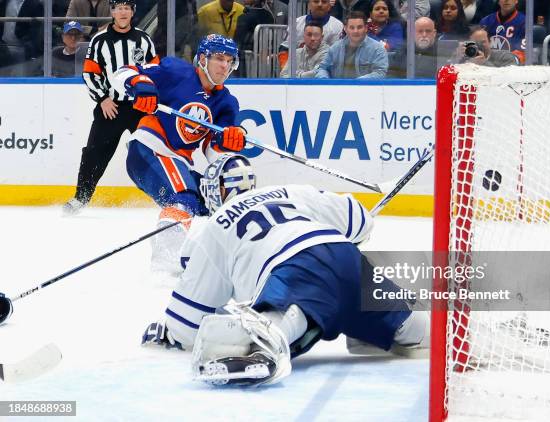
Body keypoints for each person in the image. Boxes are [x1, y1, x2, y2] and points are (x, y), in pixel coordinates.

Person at [142, 153, 428, 386]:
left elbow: (187, 325)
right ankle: (431, 331)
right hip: (345, 256)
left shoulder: (213, 228)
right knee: (415, 331)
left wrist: (165, 333)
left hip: (293, 268)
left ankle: (267, 340)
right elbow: (360, 223)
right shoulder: (289, 191)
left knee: (285, 316)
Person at [109, 34, 247, 274]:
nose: (225, 66)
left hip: (178, 162)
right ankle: (165, 261)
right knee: (183, 197)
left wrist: (229, 140)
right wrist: (141, 85)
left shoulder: (226, 102)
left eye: (229, 61)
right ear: (203, 58)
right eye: (219, 59)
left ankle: (204, 256)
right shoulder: (175, 72)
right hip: (150, 149)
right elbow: (121, 73)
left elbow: (214, 154)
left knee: (215, 199)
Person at [63, 0, 158, 215]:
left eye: (127, 8)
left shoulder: (144, 39)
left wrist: (149, 96)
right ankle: (81, 197)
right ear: (112, 11)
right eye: (119, 8)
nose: (123, 12)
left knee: (155, 151)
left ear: (133, 12)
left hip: (140, 108)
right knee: (94, 153)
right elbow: (90, 73)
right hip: (111, 107)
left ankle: (166, 195)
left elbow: (154, 71)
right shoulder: (99, 41)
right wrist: (103, 98)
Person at [315, 11, 388, 78]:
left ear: (366, 28)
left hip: (366, 91)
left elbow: (380, 73)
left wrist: (356, 84)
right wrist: (325, 81)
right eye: (352, 27)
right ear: (345, 29)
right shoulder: (335, 48)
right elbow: (322, 68)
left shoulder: (378, 49)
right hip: (338, 91)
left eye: (359, 27)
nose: (355, 31)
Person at [453, 27, 519, 67]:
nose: (479, 45)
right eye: (475, 43)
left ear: (490, 42)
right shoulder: (465, 56)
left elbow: (508, 79)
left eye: (482, 42)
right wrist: (456, 59)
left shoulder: (505, 56)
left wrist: (484, 63)